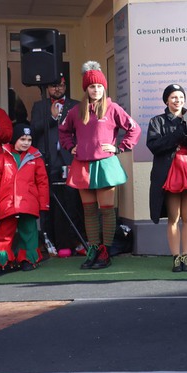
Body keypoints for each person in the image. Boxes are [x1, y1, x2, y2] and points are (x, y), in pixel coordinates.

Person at [58, 62, 141, 270]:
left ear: (104, 87)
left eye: (99, 86)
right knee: (89, 211)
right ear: (86, 89)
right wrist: (70, 146)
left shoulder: (113, 108)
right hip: (82, 165)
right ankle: (93, 249)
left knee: (106, 210)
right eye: (92, 86)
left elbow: (134, 129)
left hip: (105, 164)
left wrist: (119, 148)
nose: (96, 90)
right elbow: (63, 131)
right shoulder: (76, 111)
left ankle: (106, 251)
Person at [146, 84, 187, 273]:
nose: (178, 100)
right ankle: (176, 257)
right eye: (174, 97)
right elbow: (154, 146)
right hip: (169, 174)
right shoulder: (157, 121)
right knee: (173, 217)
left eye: (181, 97)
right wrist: (176, 136)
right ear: (166, 100)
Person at [30, 75, 83, 255]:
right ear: (47, 88)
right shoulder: (40, 106)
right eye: (53, 86)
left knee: (73, 200)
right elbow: (33, 130)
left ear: (65, 86)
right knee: (49, 201)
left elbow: (82, 129)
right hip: (48, 159)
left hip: (70, 158)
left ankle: (75, 240)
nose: (57, 89)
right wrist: (52, 118)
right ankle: (50, 241)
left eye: (60, 85)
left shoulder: (76, 105)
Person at [0, 124, 49, 274]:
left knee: (29, 233)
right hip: (7, 203)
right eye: (22, 139)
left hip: (28, 204)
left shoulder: (36, 158)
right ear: (14, 139)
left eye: (29, 139)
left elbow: (42, 183)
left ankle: (28, 260)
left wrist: (44, 204)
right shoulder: (1, 158)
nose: (26, 143)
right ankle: (1, 261)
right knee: (4, 234)